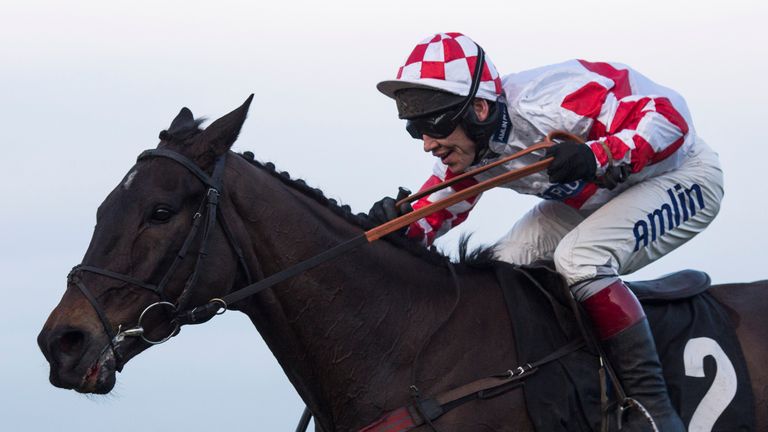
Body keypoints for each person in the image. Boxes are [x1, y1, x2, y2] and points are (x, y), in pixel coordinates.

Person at [369, 32, 724, 430]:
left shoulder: (553, 100)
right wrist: (393, 230)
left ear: (480, 110)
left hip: (683, 176)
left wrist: (600, 153)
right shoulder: (468, 150)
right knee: (500, 274)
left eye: (433, 125)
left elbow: (672, 117)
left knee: (579, 258)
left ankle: (652, 409)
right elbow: (435, 211)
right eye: (415, 129)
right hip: (596, 199)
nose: (427, 144)